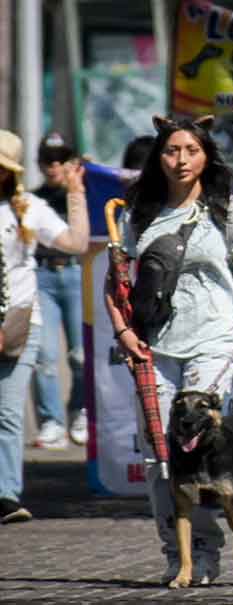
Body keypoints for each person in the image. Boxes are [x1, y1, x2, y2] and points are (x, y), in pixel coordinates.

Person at [104, 115, 233, 582]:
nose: (181, 160)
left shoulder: (227, 209)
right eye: (171, 151)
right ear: (158, 156)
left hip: (214, 340)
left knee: (201, 445)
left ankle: (213, 547)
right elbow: (115, 283)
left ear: (206, 156)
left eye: (191, 151)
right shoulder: (137, 211)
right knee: (159, 455)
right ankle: (185, 554)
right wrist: (124, 333)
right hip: (153, 344)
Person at [0, 129, 90, 524]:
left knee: (8, 413)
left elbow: (75, 242)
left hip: (19, 321)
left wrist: (76, 193)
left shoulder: (28, 207)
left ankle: (5, 495)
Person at [30, 133, 88, 448]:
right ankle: (50, 422)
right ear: (39, 164)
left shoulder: (82, 193)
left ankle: (81, 411)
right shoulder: (32, 199)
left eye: (61, 159)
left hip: (78, 273)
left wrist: (80, 184)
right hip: (42, 275)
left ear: (71, 163)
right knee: (45, 355)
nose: (54, 166)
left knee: (81, 354)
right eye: (48, 160)